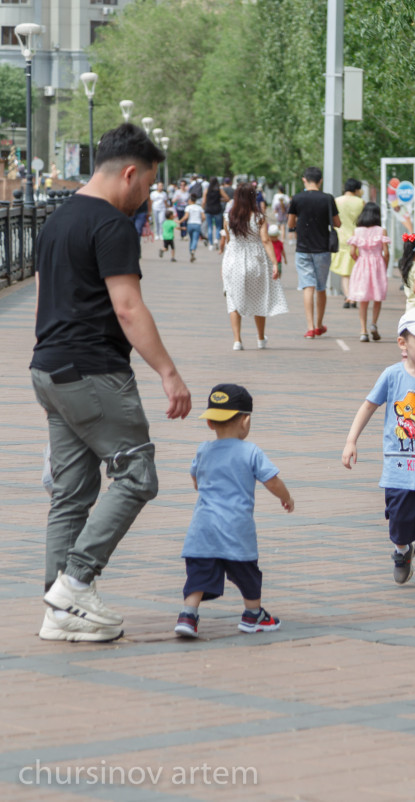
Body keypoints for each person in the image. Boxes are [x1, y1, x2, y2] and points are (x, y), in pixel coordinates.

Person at [32, 123, 191, 643]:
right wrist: (168, 372)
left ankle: (59, 611)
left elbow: (43, 298)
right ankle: (74, 584)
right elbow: (127, 307)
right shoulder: (111, 225)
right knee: (138, 474)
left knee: (72, 493)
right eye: (147, 183)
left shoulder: (55, 220)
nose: (146, 194)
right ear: (129, 173)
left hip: (50, 368)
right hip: (93, 371)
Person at [342, 308, 415, 596]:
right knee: (399, 524)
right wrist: (351, 440)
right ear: (403, 344)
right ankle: (402, 550)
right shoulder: (391, 375)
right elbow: (369, 406)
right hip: (398, 471)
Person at [174, 384, 294, 638]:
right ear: (245, 420)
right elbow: (272, 481)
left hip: (203, 526)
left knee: (198, 573)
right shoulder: (251, 451)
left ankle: (188, 616)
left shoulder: (203, 450)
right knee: (246, 572)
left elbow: (196, 479)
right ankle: (253, 614)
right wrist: (286, 498)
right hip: (236, 527)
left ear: (210, 423)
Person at [222, 182, 288, 351]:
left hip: (233, 261)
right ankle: (260, 338)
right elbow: (265, 240)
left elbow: (229, 240)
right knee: (259, 298)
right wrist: (275, 263)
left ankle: (237, 341)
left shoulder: (228, 217)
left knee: (233, 300)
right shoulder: (259, 217)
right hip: (255, 261)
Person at [287, 167, 340, 339]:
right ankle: (319, 325)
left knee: (307, 286)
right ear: (320, 180)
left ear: (304, 179)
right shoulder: (328, 198)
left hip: (303, 248)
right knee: (321, 287)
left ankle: (310, 328)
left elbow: (290, 224)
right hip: (322, 249)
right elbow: (337, 223)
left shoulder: (297, 198)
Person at [346, 201, 391, 342]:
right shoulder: (381, 230)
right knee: (377, 296)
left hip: (362, 264)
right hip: (378, 264)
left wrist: (359, 260)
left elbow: (352, 252)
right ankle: (374, 324)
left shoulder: (357, 231)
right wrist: (384, 265)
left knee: (363, 298)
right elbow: (386, 252)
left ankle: (363, 330)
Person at [330, 178, 365, 306]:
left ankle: (348, 296)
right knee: (356, 271)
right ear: (357, 189)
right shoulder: (361, 202)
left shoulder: (336, 201)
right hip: (358, 239)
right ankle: (354, 297)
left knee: (345, 272)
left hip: (341, 238)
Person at [181, 195, 205, 262]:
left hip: (190, 224)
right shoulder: (199, 207)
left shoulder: (188, 207)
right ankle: (193, 250)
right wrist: (201, 221)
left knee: (191, 239)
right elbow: (203, 217)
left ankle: (191, 251)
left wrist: (180, 221)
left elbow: (186, 217)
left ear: (190, 200)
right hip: (197, 224)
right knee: (195, 239)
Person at [203, 180, 224, 250]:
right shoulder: (219, 190)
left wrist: (203, 209)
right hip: (217, 210)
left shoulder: (206, 190)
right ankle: (216, 239)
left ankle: (211, 244)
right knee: (218, 226)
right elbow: (227, 198)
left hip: (208, 210)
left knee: (210, 227)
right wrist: (219, 199)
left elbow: (204, 201)